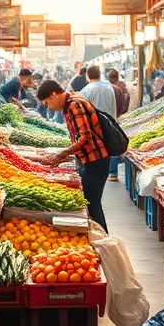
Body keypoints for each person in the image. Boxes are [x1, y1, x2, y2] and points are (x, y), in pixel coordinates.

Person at [36, 80, 111, 231]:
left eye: (46, 103)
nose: (47, 107)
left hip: (95, 159)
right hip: (90, 159)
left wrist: (62, 153)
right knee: (91, 202)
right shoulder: (71, 102)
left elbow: (84, 137)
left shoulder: (74, 105)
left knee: (92, 203)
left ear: (53, 95)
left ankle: (103, 239)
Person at [106, 68, 130, 182]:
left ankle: (113, 172)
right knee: (116, 142)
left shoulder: (112, 89)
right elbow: (124, 104)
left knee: (112, 143)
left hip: (113, 119)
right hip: (121, 118)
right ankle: (113, 171)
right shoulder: (123, 88)